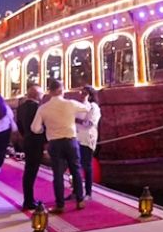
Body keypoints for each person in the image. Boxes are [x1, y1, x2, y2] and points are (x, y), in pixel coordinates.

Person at [31, 80, 90, 213]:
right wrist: (85, 99)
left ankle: (60, 205)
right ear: (60, 90)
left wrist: (43, 130)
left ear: (50, 91)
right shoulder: (70, 104)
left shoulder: (43, 108)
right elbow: (86, 109)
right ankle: (80, 200)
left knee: (57, 174)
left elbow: (35, 128)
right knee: (76, 171)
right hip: (70, 141)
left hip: (55, 143)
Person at [14, 84, 46, 210]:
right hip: (36, 142)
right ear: (36, 95)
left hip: (27, 141)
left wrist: (25, 135)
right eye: (41, 93)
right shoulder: (38, 108)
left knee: (29, 171)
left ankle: (28, 198)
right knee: (32, 171)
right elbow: (42, 126)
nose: (43, 96)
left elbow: (19, 126)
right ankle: (29, 201)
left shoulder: (20, 108)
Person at [76, 86, 101, 199]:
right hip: (76, 138)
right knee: (76, 166)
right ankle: (76, 190)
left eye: (84, 93)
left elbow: (89, 123)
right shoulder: (78, 106)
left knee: (86, 165)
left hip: (87, 139)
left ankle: (88, 192)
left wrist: (76, 120)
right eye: (81, 92)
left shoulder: (93, 107)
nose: (81, 94)